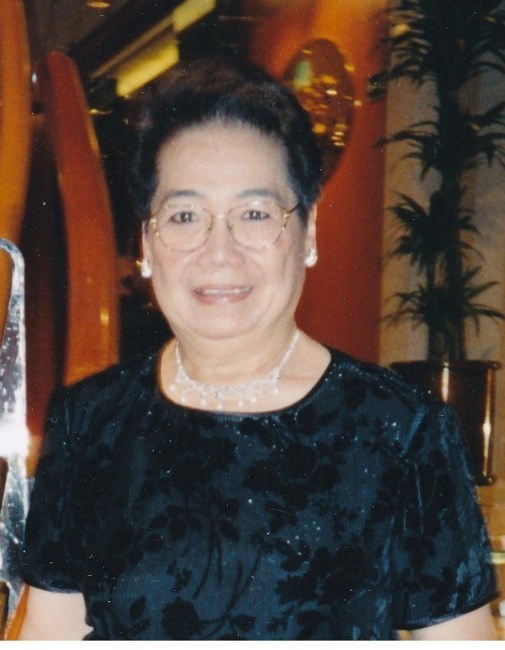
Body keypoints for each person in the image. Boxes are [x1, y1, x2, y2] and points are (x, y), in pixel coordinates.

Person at [19, 56, 497, 640]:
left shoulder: (402, 431)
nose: (219, 252)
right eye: (185, 215)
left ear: (308, 233)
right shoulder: (89, 423)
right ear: (146, 243)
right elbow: (50, 635)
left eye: (254, 213)